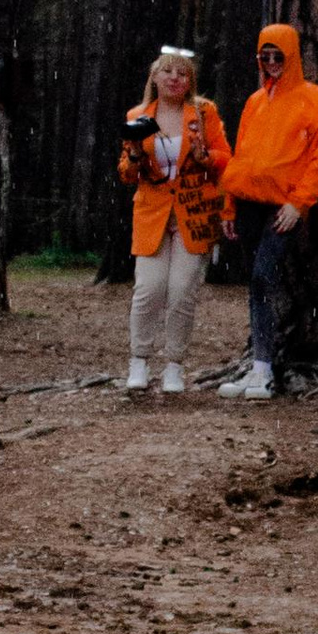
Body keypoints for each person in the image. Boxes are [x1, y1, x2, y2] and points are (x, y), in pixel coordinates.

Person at [219, 20, 318, 398]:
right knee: (255, 283)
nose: (271, 62)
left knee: (263, 277)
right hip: (249, 203)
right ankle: (257, 367)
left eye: (277, 55)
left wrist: (299, 204)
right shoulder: (255, 102)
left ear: (292, 56)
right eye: (264, 56)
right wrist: (229, 206)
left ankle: (266, 369)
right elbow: (242, 158)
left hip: (282, 209)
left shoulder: (313, 97)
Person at [117, 46, 231, 395]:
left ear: (190, 80)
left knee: (182, 291)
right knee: (148, 290)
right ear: (155, 77)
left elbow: (226, 157)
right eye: (167, 72)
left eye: (182, 73)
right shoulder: (138, 115)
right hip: (152, 213)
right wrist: (135, 155)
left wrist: (205, 156)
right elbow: (125, 173)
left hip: (195, 212)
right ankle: (139, 360)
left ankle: (174, 366)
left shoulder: (203, 112)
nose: (174, 78)